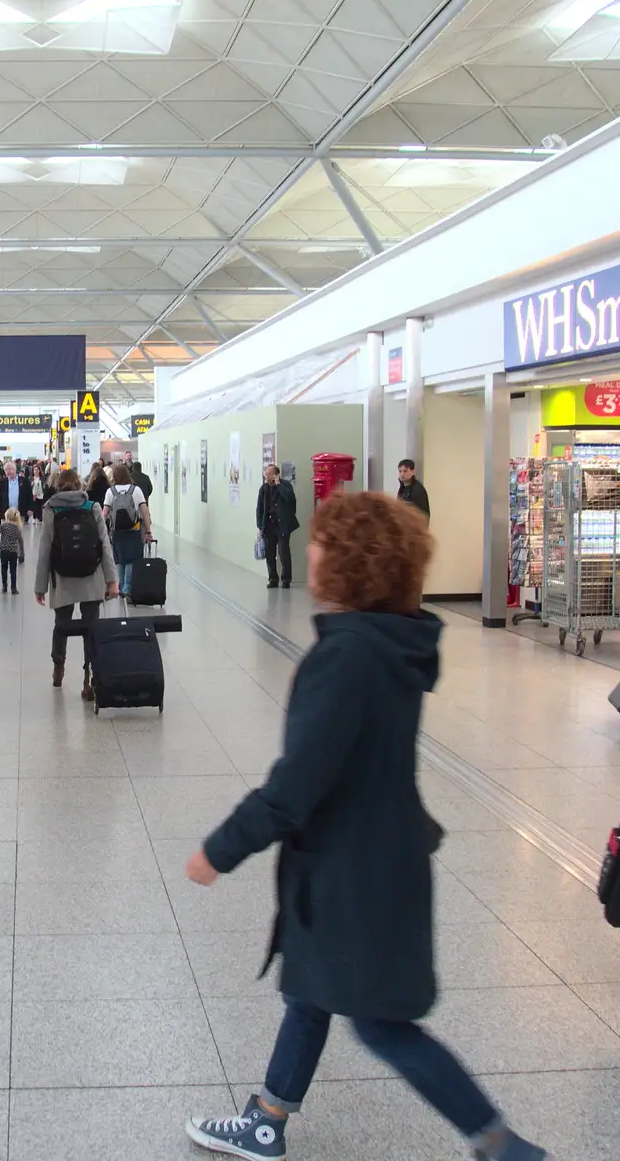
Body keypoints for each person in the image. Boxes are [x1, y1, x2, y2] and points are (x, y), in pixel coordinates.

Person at [183, 492, 544, 1161]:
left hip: (355, 868)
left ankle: (503, 1147)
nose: (311, 550)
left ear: (350, 563)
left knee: (381, 1024)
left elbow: (297, 783)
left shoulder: (346, 657)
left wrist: (219, 849)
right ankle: (267, 1118)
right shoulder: (390, 642)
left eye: (322, 543)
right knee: (309, 986)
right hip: (378, 853)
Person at [35, 468, 117, 699]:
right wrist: (111, 581)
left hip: (62, 578)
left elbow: (45, 550)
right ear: (81, 485)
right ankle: (88, 678)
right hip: (92, 578)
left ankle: (58, 666)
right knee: (91, 629)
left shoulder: (51, 509)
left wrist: (40, 587)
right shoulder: (92, 507)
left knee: (62, 624)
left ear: (58, 486)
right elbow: (105, 545)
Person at [103, 462, 150, 596]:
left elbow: (104, 513)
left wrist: (101, 530)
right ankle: (127, 588)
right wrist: (148, 531)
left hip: (117, 530)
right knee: (132, 558)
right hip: (134, 530)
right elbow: (144, 511)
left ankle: (119, 585)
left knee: (119, 558)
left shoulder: (111, 491)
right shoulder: (135, 490)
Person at [255, 465, 300, 589]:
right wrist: (260, 526)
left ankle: (286, 580)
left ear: (276, 475)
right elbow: (259, 508)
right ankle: (273, 578)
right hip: (268, 525)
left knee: (283, 552)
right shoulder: (263, 489)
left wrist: (278, 484)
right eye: (266, 474)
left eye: (269, 474)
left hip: (282, 525)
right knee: (270, 553)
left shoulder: (285, 486)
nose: (267, 477)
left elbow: (290, 499)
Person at [0, 507, 25, 595]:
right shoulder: (17, 528)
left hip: (4, 551)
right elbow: (21, 541)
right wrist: (22, 553)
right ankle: (13, 588)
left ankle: (4, 586)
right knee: (13, 570)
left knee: (3, 568)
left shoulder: (3, 526)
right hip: (13, 552)